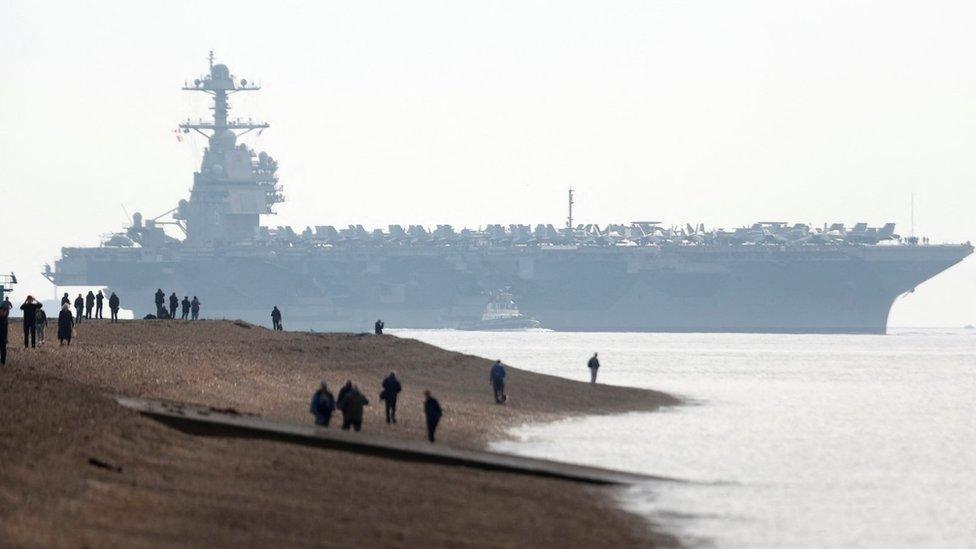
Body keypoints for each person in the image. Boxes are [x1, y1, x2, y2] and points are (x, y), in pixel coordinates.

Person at [0, 298, 9, 365]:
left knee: (3, 350)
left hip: (3, 338)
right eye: (2, 311)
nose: (4, 312)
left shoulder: (5, 320)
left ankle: (3, 363)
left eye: (5, 311)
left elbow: (6, 330)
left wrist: (6, 338)